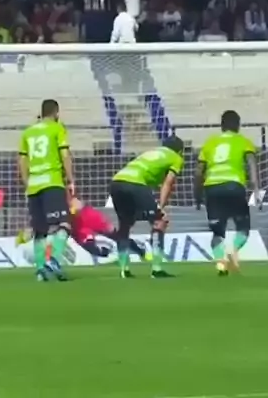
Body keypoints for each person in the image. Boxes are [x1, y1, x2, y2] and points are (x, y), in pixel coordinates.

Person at [195, 110, 262, 276]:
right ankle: (233, 250)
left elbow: (198, 172)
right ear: (238, 125)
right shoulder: (244, 141)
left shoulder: (210, 143)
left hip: (212, 187)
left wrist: (197, 193)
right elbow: (251, 164)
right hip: (234, 186)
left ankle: (221, 265)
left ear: (221, 125)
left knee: (218, 232)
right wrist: (255, 189)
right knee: (243, 227)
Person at [109, 135, 185, 279]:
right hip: (135, 183)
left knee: (124, 226)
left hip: (116, 182)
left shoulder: (152, 152)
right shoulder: (176, 157)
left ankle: (124, 270)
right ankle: (157, 269)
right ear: (180, 151)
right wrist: (161, 207)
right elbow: (168, 183)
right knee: (159, 221)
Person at [19, 99, 77, 282]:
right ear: (56, 113)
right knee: (64, 224)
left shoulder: (27, 132)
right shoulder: (57, 128)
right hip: (52, 182)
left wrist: (26, 182)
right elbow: (64, 154)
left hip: (34, 185)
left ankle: (40, 270)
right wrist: (71, 179)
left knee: (40, 229)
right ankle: (54, 260)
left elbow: (22, 160)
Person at [16, 196, 149, 261]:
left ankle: (140, 251)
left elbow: (78, 204)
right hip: (77, 228)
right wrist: (26, 235)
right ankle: (111, 254)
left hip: (89, 217)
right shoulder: (46, 204)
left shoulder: (62, 192)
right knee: (94, 250)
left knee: (117, 236)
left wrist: (70, 211)